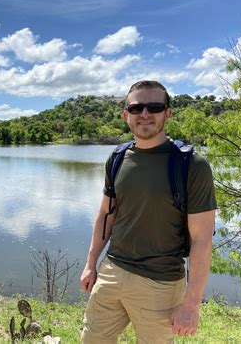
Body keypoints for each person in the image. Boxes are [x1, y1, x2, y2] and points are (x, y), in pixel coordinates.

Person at [80, 80, 217, 343]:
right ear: (125, 115)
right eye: (136, 107)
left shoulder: (191, 165)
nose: (145, 114)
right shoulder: (118, 158)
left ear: (167, 113)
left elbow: (202, 240)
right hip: (112, 272)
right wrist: (91, 263)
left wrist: (191, 305)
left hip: (160, 284)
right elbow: (106, 215)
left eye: (154, 107)